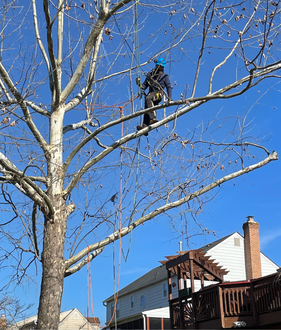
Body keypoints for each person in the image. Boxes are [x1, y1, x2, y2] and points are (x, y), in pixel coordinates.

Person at [137, 58, 172, 135]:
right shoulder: (150, 75)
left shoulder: (164, 76)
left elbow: (169, 86)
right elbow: (144, 84)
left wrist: (169, 98)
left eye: (163, 67)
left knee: (148, 98)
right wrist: (141, 87)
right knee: (147, 108)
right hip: (151, 93)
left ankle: (153, 118)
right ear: (157, 66)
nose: (162, 68)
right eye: (161, 67)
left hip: (158, 94)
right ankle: (145, 127)